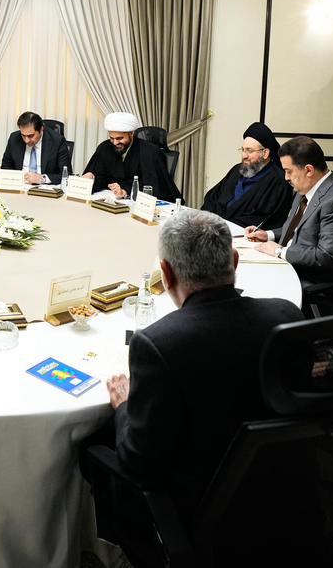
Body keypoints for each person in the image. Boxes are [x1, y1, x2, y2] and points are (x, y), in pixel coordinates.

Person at [98, 211, 310, 565]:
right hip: (289, 496)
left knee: (95, 441)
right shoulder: (286, 315)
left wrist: (124, 407)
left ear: (166, 274)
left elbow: (138, 465)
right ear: (235, 261)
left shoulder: (159, 343)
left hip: (203, 516)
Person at [245, 135, 333, 315]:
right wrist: (269, 235)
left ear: (309, 170)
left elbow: (325, 257)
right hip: (295, 269)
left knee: (254, 303)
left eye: (289, 171)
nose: (286, 178)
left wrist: (279, 251)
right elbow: (300, 229)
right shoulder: (305, 188)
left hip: (323, 291)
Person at [201, 121, 293, 228]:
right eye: (243, 150)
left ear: (265, 153)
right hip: (214, 227)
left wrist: (225, 226)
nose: (244, 156)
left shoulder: (279, 181)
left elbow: (266, 220)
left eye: (249, 151)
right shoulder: (236, 170)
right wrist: (209, 219)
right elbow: (212, 198)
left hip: (242, 234)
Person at [82, 112, 180, 202]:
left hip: (139, 204)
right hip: (111, 200)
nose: (115, 143)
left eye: (119, 138)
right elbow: (102, 178)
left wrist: (125, 191)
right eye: (112, 138)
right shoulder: (105, 147)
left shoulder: (150, 152)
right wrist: (92, 178)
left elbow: (153, 187)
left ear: (131, 133)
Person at [1, 111, 70, 185]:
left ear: (41, 129)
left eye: (30, 136)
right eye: (23, 135)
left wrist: (43, 178)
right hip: (20, 186)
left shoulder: (57, 141)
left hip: (45, 188)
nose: (26, 140)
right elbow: (5, 167)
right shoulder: (14, 138)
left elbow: (66, 175)